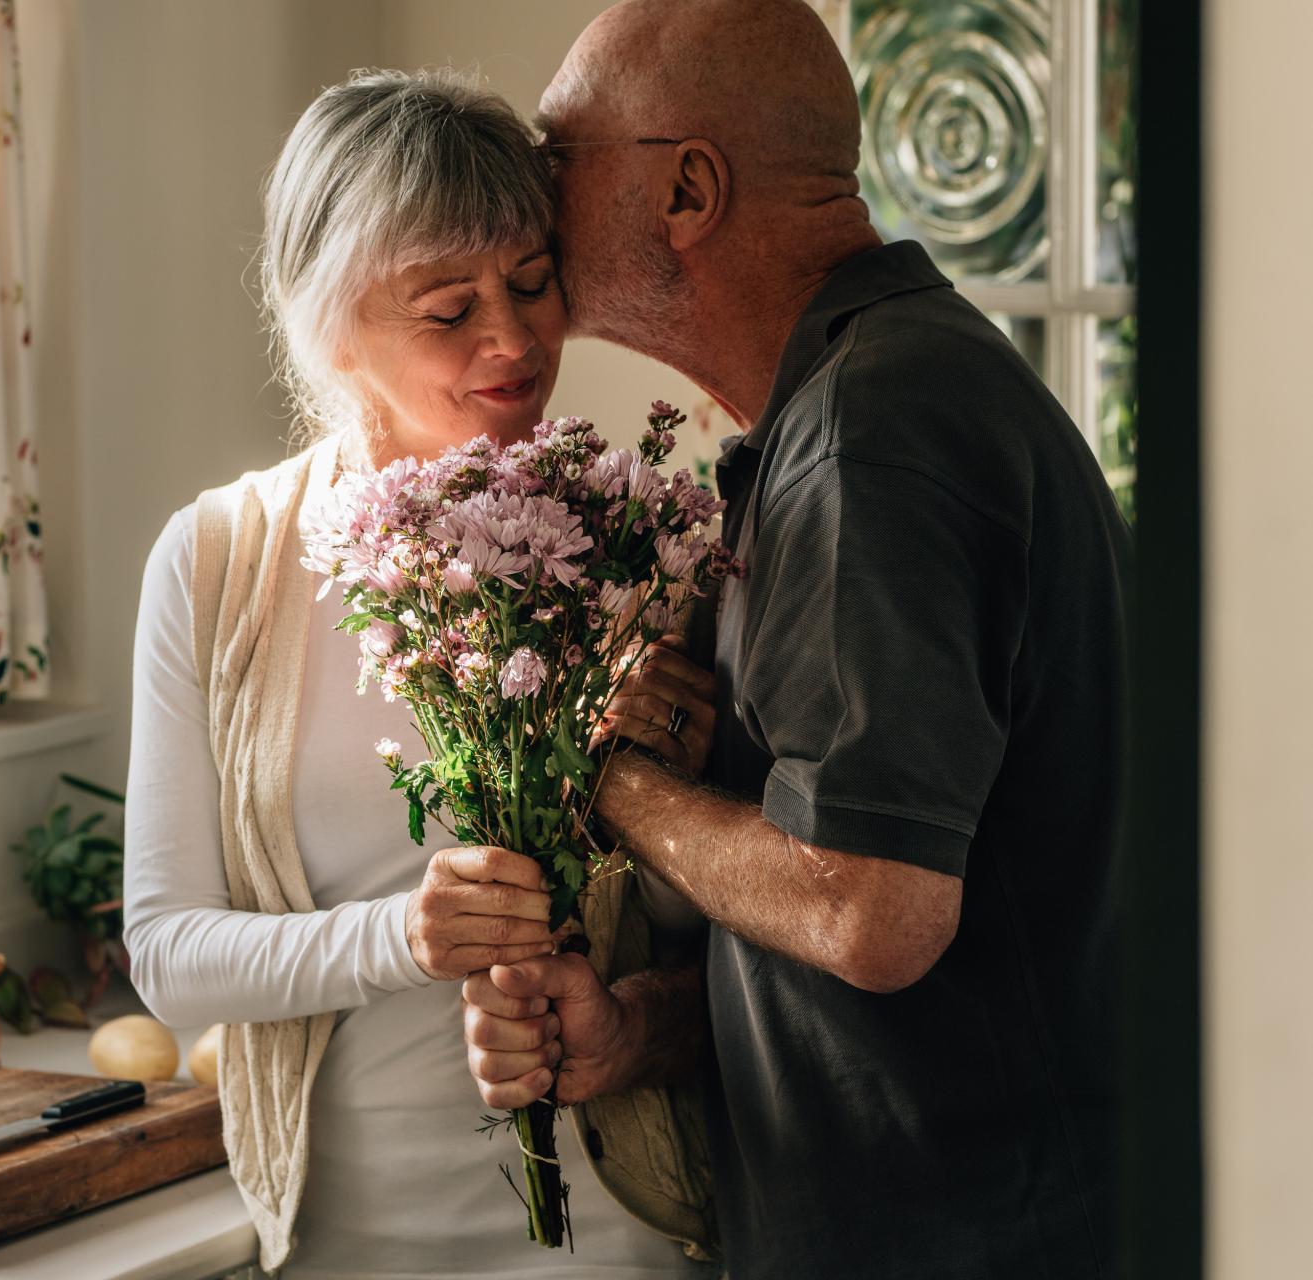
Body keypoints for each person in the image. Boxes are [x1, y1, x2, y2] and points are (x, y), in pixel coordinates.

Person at [461, 2, 1130, 1277]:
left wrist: (606, 777)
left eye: (559, 156)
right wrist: (635, 1032)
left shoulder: (870, 436)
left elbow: (871, 912)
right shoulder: (859, 405)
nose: (531, 195)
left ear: (686, 187)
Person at [123, 68, 715, 1278]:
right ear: (329, 327)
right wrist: (407, 933)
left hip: (624, 1233)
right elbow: (171, 956)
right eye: (448, 308)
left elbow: (735, 954)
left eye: (534, 282)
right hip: (349, 1238)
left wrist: (668, 787)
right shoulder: (222, 563)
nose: (513, 338)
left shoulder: (640, 552)